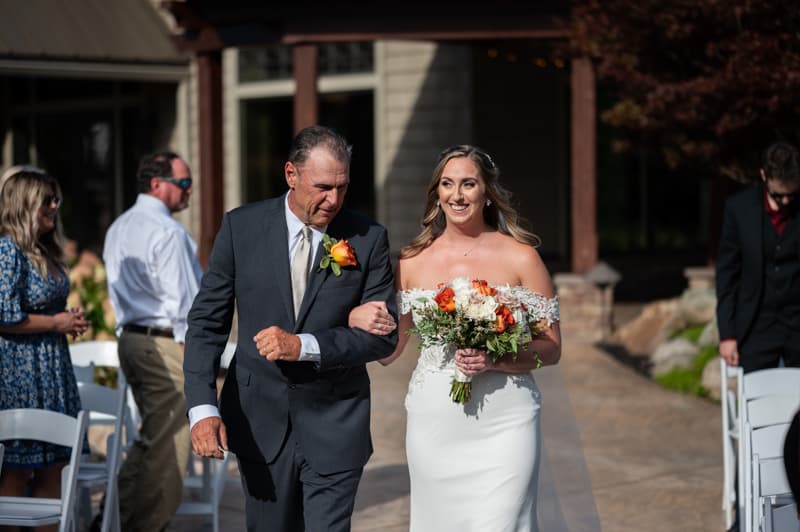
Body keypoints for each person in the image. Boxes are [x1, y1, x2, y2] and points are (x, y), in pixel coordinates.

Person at [184, 125, 398, 531]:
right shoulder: (240, 228)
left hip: (336, 422)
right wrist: (202, 408)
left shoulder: (369, 238)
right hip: (258, 421)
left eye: (342, 187)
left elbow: (383, 337)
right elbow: (206, 325)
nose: (333, 200)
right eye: (322, 187)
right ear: (290, 174)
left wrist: (305, 346)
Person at [375, 145, 561, 531]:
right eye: (447, 184)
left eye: (468, 184)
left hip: (506, 419)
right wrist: (357, 320)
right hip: (435, 421)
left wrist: (496, 360)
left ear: (486, 192)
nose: (457, 195)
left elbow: (552, 347)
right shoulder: (411, 261)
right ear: (437, 193)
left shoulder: (522, 257)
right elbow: (390, 350)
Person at [103, 151, 203, 531]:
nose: (189, 190)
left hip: (131, 340)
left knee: (152, 439)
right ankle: (147, 526)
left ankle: (114, 517)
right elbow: (186, 308)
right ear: (157, 184)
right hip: (164, 343)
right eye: (183, 183)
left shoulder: (119, 225)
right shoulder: (169, 232)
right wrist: (196, 360)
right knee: (171, 447)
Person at [0, 166, 89, 516]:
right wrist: (55, 321)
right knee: (18, 469)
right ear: (23, 205)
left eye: (56, 199)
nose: (54, 206)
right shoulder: (8, 251)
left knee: (55, 466)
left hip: (53, 369)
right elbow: (4, 314)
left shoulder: (43, 249)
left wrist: (66, 318)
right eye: (46, 201)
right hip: (21, 373)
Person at [717, 141, 800, 373]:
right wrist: (728, 335)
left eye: (792, 195)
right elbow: (727, 276)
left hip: (797, 322)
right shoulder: (739, 209)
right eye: (779, 195)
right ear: (763, 176)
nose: (785, 202)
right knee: (756, 400)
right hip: (756, 325)